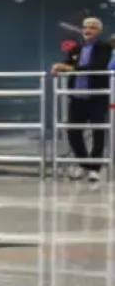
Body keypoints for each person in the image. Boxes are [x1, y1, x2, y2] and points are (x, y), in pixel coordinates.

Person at [51, 17, 112, 181]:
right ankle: (84, 164)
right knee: (73, 131)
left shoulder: (105, 47)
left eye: (92, 27)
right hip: (77, 97)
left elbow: (97, 67)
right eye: (86, 27)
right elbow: (67, 63)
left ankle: (95, 169)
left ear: (99, 31)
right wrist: (58, 67)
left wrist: (69, 67)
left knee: (98, 132)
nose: (88, 30)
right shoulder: (76, 48)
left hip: (96, 96)